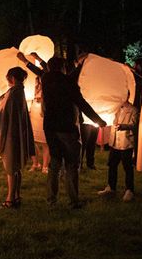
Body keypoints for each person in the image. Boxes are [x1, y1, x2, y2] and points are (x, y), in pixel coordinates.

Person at [33, 57, 106, 208]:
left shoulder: (46, 79)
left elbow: (47, 72)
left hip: (50, 127)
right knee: (72, 164)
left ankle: (51, 200)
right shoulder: (68, 82)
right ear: (63, 67)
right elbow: (81, 103)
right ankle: (74, 201)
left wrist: (79, 67)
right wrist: (98, 120)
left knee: (55, 163)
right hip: (67, 128)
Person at [0, 67, 35, 208]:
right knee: (16, 167)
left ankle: (10, 199)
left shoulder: (14, 94)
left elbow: (7, 115)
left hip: (11, 135)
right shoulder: (18, 91)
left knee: (11, 168)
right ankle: (16, 196)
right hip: (15, 133)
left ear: (11, 78)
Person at [98, 97, 138, 201]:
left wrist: (123, 126)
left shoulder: (133, 109)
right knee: (112, 164)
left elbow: (134, 125)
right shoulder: (116, 108)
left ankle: (129, 190)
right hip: (115, 142)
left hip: (126, 143)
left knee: (127, 166)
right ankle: (111, 187)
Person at [18, 51, 50, 173]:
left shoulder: (48, 78)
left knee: (44, 140)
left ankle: (45, 165)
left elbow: (45, 68)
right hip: (35, 108)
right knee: (34, 139)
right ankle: (35, 163)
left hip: (43, 109)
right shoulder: (35, 80)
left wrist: (37, 58)